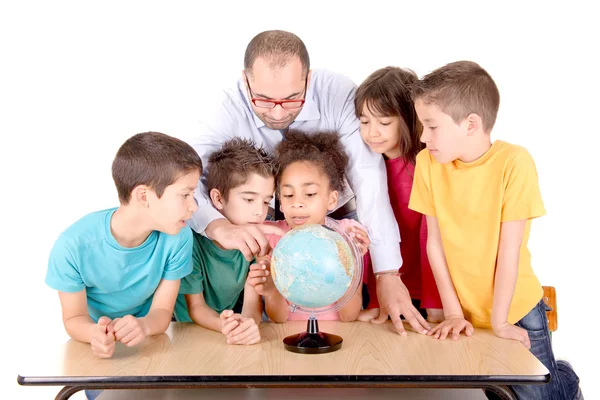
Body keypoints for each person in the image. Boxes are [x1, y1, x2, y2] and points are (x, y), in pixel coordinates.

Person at [187, 30, 430, 335]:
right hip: (273, 217)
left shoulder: (338, 92)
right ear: (245, 80)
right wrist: (218, 226)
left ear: (308, 78)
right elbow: (189, 176)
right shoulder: (225, 107)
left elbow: (368, 179)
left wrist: (387, 273)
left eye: (291, 99)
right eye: (263, 99)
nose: (278, 112)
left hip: (340, 213)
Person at [409, 60, 583, 400]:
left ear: (471, 124)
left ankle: (566, 378)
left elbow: (510, 250)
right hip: (471, 310)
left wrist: (502, 321)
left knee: (540, 396)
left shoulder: (514, 163)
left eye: (431, 126)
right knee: (504, 394)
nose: (423, 137)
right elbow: (435, 244)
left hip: (517, 308)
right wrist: (454, 312)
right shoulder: (428, 163)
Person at [45, 132, 201, 400]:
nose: (194, 206)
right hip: (99, 351)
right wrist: (95, 334)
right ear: (143, 196)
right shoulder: (73, 245)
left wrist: (143, 326)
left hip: (153, 343)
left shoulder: (178, 237)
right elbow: (73, 319)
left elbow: (162, 313)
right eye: (185, 195)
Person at [247, 130, 370, 322]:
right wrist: (271, 290)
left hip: (340, 338)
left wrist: (350, 260)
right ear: (280, 202)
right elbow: (278, 319)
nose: (297, 203)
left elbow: (349, 316)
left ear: (332, 199)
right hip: (288, 340)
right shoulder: (270, 237)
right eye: (288, 195)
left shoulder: (348, 234)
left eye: (310, 193)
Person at [354, 67, 443, 323]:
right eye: (364, 122)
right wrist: (374, 299)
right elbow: (369, 235)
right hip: (387, 290)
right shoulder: (365, 170)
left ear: (407, 118)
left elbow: (432, 238)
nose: (372, 132)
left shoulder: (424, 167)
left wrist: (434, 303)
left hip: (426, 292)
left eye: (383, 122)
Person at [173, 138, 279, 345]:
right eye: (249, 199)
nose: (260, 211)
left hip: (227, 329)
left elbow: (252, 303)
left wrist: (247, 325)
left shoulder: (257, 242)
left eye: (266, 201)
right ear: (218, 199)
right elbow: (196, 309)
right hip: (185, 332)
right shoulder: (189, 243)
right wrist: (227, 326)